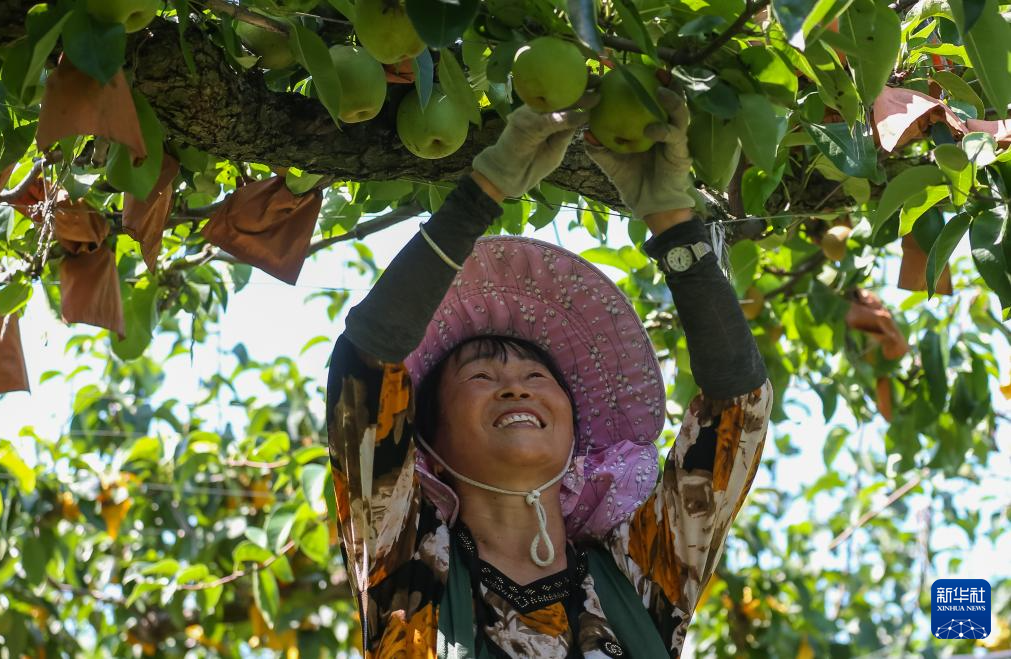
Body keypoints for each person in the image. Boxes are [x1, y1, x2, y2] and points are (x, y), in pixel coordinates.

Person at [325, 84, 772, 658]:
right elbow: (363, 372)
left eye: (539, 380)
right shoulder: (407, 564)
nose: (515, 385)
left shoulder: (641, 577)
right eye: (480, 377)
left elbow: (738, 415)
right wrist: (483, 190)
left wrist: (674, 223)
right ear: (428, 442)